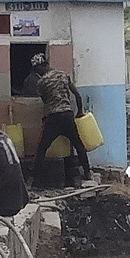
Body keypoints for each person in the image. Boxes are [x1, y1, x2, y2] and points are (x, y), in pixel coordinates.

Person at [24, 55, 90, 189]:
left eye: (38, 69)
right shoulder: (64, 75)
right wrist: (80, 112)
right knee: (78, 144)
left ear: (43, 66)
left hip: (53, 117)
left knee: (42, 148)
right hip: (67, 115)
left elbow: (46, 101)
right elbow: (77, 94)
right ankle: (88, 173)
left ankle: (31, 181)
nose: (38, 72)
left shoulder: (41, 82)